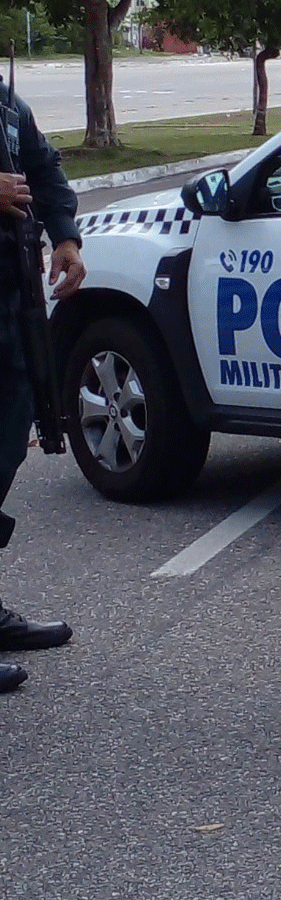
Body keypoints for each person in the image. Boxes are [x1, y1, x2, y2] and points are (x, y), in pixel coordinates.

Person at [0, 77, 85, 694]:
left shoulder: (5, 104)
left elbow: (44, 167)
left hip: (11, 307)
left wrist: (66, 237)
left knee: (6, 446)